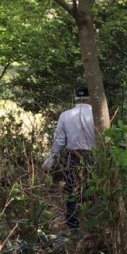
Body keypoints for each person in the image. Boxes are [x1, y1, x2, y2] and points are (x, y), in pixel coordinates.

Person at [42, 87, 96, 231]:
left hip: (74, 157)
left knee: (71, 190)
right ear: (89, 98)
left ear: (76, 99)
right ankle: (94, 223)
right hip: (95, 156)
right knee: (94, 189)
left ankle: (74, 226)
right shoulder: (97, 114)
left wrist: (52, 158)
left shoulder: (65, 115)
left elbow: (59, 140)